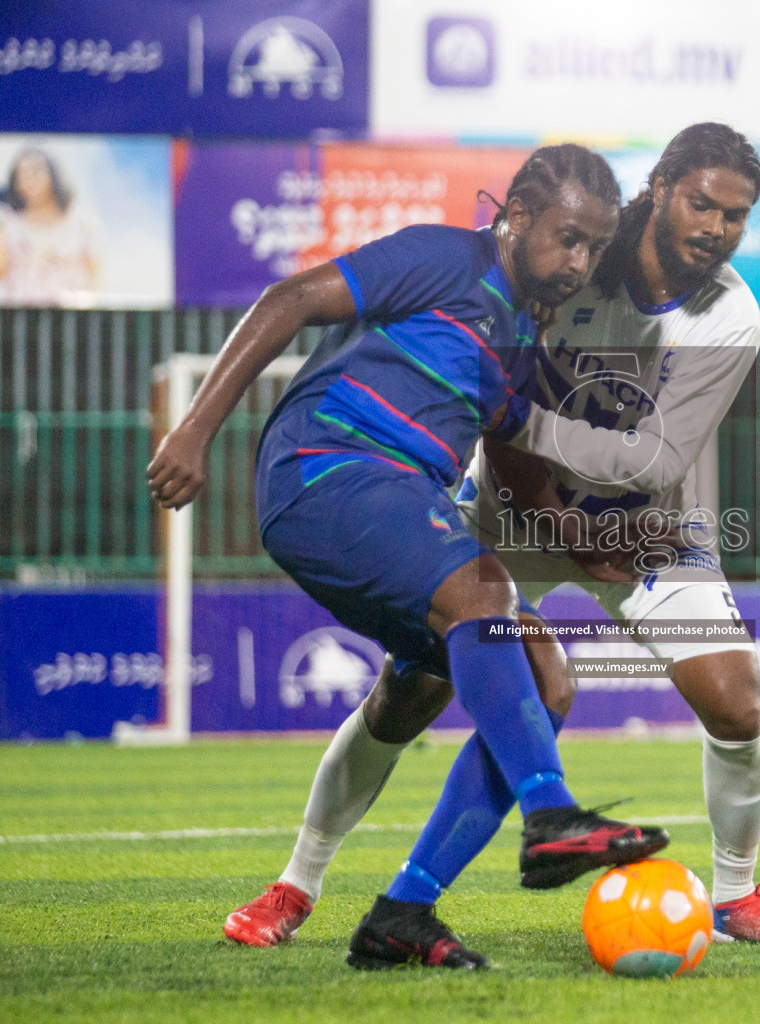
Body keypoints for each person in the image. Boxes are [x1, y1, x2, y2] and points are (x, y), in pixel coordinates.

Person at [219, 123, 760, 956]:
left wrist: (540, 442)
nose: (717, 228)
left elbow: (658, 456)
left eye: (735, 216)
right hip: (516, 508)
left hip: (642, 525)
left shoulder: (729, 313)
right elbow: (496, 421)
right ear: (657, 189)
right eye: (701, 203)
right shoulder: (568, 256)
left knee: (736, 700)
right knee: (408, 696)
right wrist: (552, 512)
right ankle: (297, 882)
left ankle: (733, 896)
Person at [148, 144, 669, 971]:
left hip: (405, 505)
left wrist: (586, 547)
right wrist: (194, 428)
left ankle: (401, 911)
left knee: (533, 678)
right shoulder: (440, 257)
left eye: (592, 249)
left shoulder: (521, 345)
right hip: (322, 469)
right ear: (518, 215)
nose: (578, 263)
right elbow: (290, 298)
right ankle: (550, 816)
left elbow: (515, 462)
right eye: (568, 238)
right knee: (484, 593)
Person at [0, 147, 100, 305]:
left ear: (52, 175)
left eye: (35, 172)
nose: (28, 180)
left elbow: (94, 273)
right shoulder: (11, 221)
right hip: (21, 318)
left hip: (69, 318)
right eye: (22, 175)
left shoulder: (80, 220)